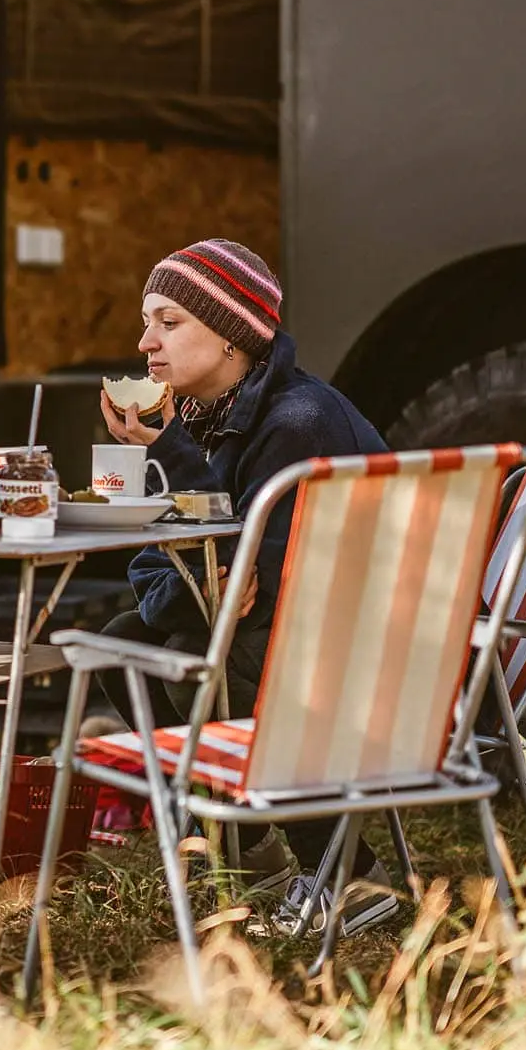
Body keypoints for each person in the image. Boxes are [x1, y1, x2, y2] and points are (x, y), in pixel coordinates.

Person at [93, 239, 398, 935]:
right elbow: (176, 576)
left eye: (170, 321)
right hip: (303, 637)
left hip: (363, 659)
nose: (146, 342)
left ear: (232, 333)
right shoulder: (205, 421)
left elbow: (247, 596)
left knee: (202, 663)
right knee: (124, 644)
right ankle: (247, 844)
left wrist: (191, 574)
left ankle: (348, 874)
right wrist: (186, 583)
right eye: (147, 321)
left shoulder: (296, 424)